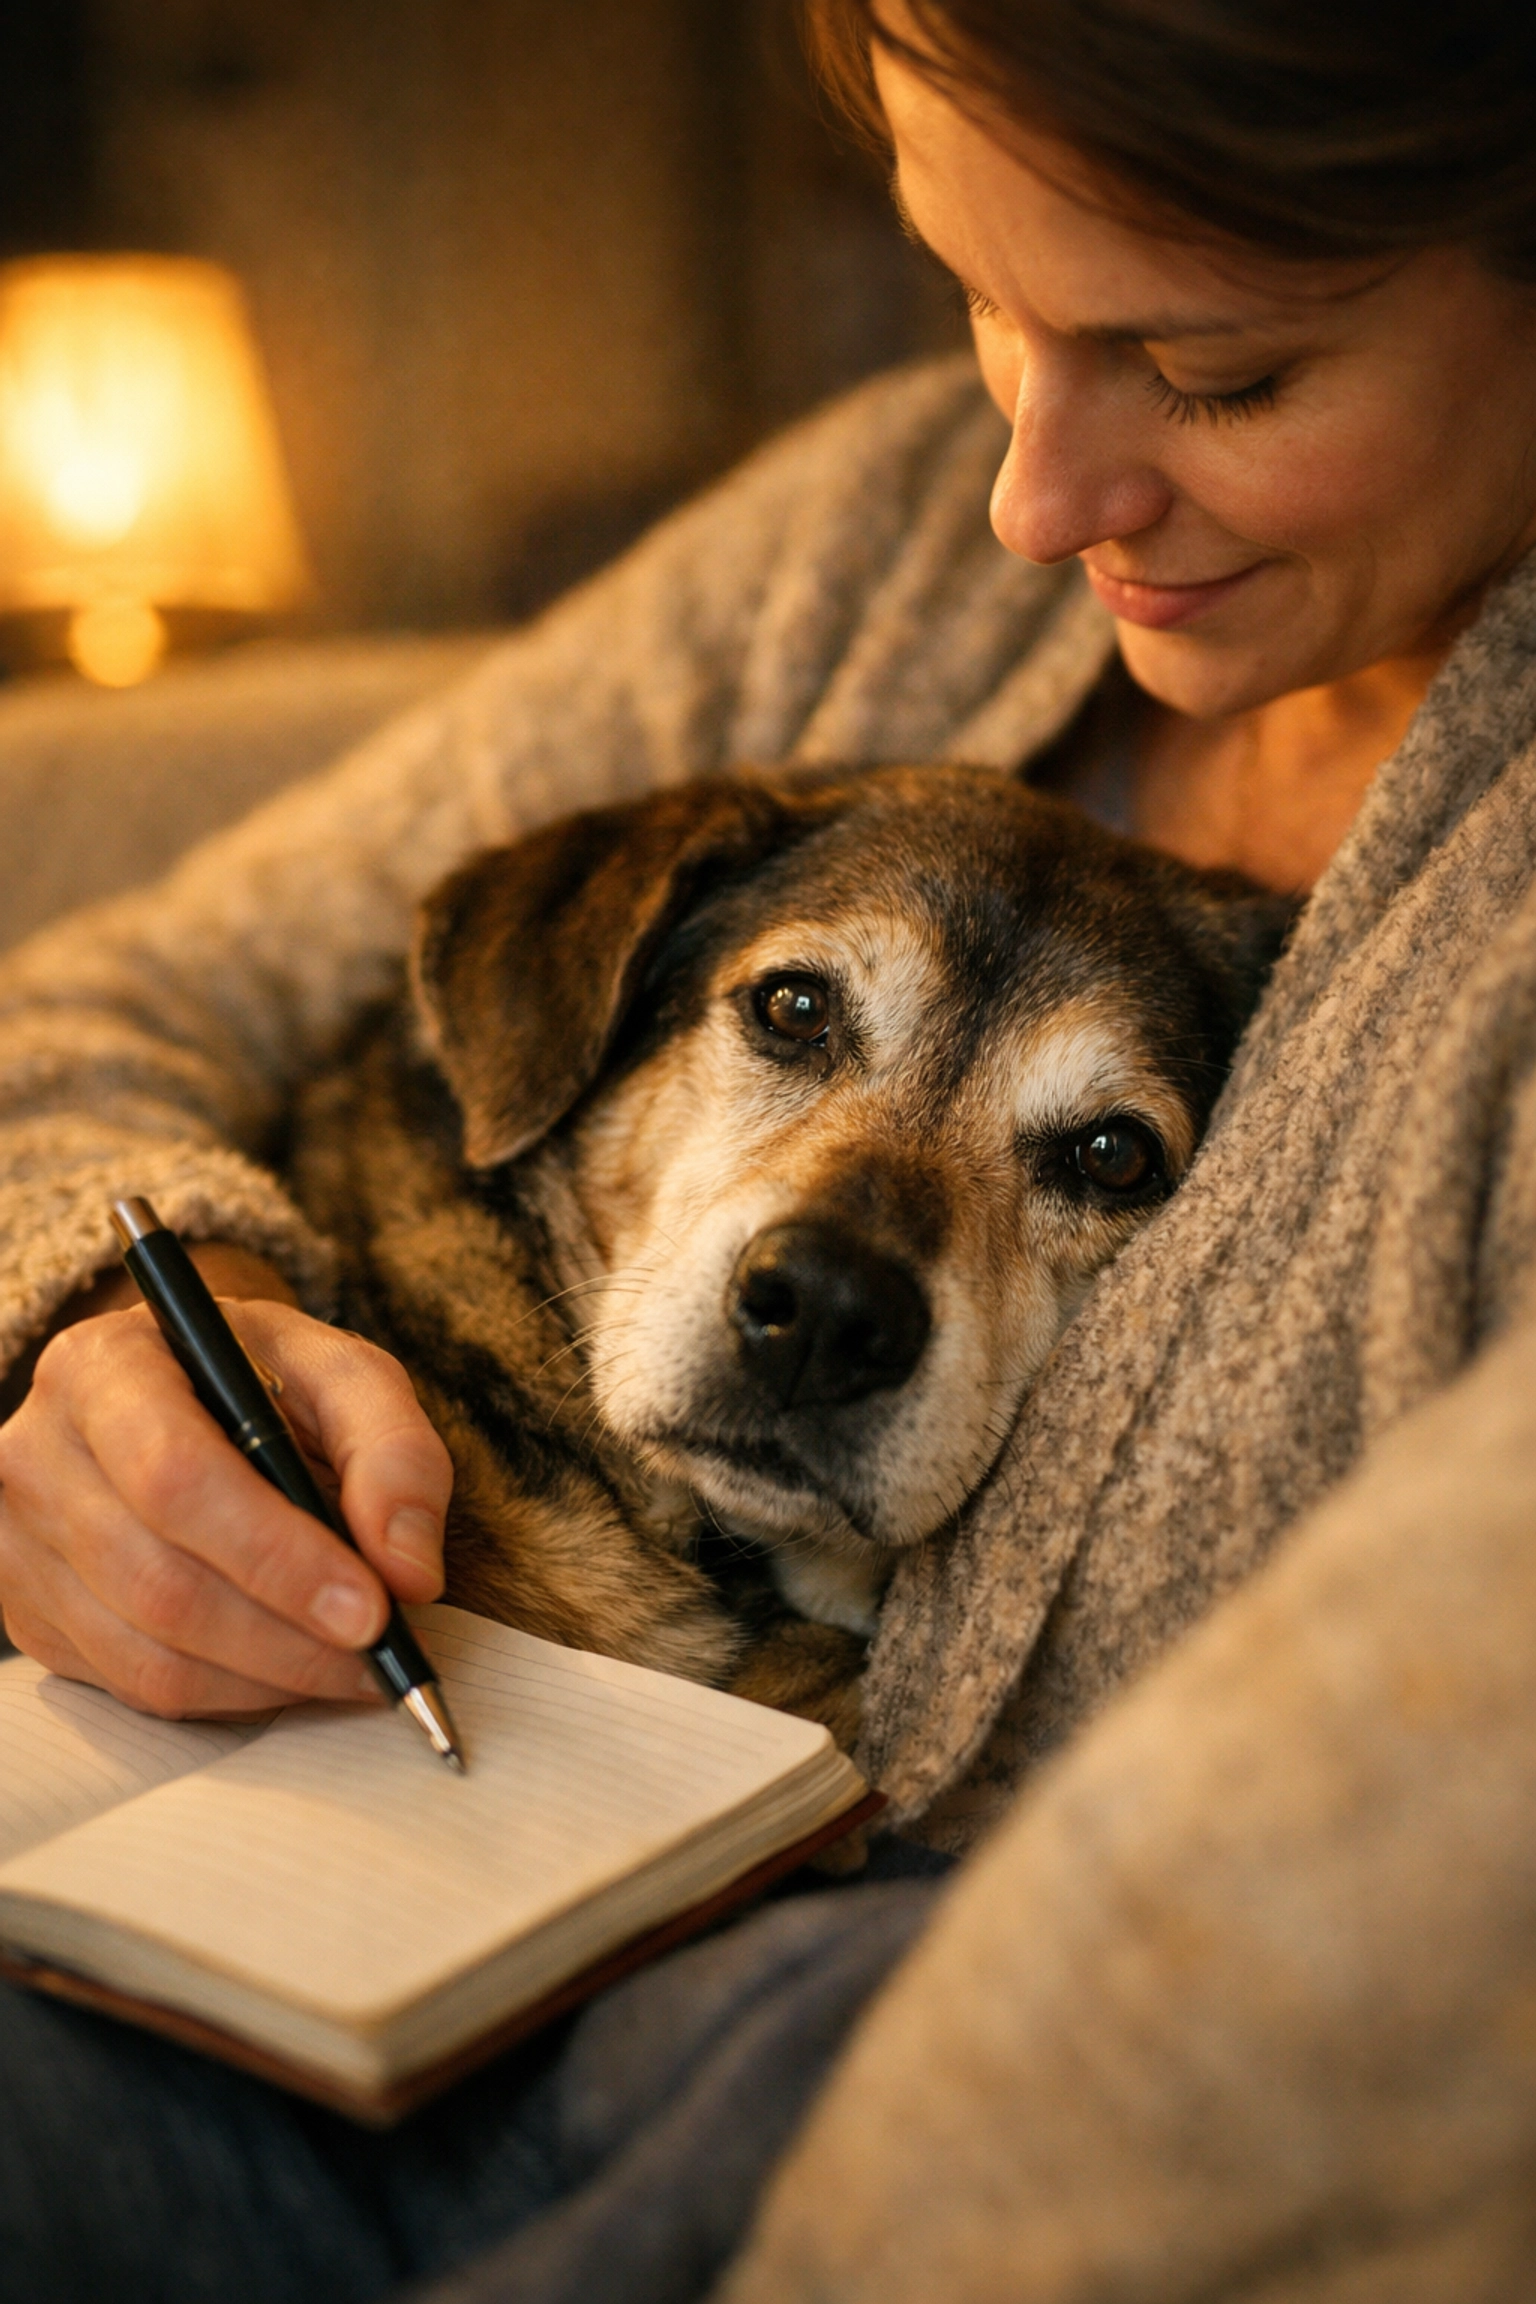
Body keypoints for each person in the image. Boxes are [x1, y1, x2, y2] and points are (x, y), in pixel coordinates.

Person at [2, 0, 1536, 2294]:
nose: (1030, 497)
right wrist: (119, 1307)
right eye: (988, 303)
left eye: (1216, 373)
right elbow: (104, 1005)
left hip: (854, 2024)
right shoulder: (883, 531)